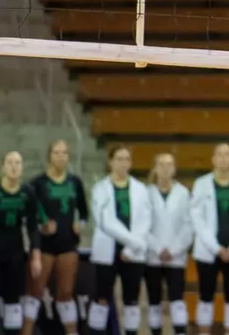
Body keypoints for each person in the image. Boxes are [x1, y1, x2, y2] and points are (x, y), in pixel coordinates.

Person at [88, 146, 152, 335]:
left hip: (133, 255)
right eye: (119, 159)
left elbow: (145, 221)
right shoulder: (100, 188)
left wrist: (131, 249)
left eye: (127, 159)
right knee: (101, 298)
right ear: (110, 162)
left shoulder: (141, 189)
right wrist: (133, 242)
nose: (123, 163)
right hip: (107, 251)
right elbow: (105, 221)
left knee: (132, 300)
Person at [27, 140, 87, 335]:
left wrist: (81, 224)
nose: (61, 156)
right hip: (44, 246)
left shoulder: (75, 182)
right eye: (57, 152)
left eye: (64, 153)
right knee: (35, 291)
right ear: (49, 156)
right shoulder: (37, 183)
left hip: (68, 243)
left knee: (66, 293)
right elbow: (29, 213)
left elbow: (84, 212)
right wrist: (41, 225)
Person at [0, 151, 39, 335]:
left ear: (22, 167)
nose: (14, 166)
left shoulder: (28, 193)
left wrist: (35, 254)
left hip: (15, 253)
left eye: (18, 163)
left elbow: (33, 226)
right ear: (2, 167)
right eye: (10, 162)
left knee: (13, 301)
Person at [191, 143, 229, 335]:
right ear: (213, 159)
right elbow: (197, 219)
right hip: (208, 251)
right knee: (205, 295)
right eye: (220, 154)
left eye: (227, 154)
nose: (224, 158)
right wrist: (217, 248)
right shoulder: (201, 184)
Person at [145, 153, 192, 335]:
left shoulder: (183, 193)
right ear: (155, 168)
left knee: (177, 300)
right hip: (152, 256)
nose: (165, 168)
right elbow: (142, 225)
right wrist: (157, 248)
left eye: (169, 164)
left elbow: (188, 225)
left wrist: (173, 249)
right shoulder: (146, 194)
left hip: (176, 256)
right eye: (161, 164)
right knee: (154, 300)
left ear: (174, 169)